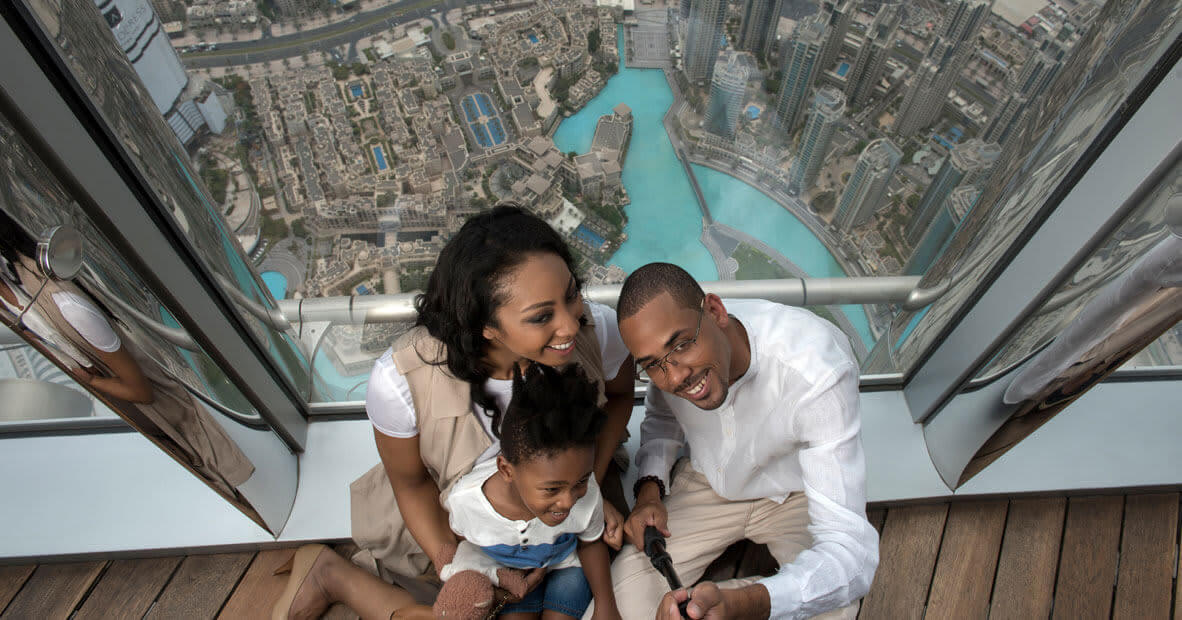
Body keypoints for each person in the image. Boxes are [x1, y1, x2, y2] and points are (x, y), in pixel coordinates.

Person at [272, 205, 634, 619]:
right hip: (461, 523)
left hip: (567, 504)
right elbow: (411, 486)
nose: (571, 324)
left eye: (571, 294)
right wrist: (460, 564)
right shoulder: (403, 378)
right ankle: (331, 575)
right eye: (541, 317)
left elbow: (621, 397)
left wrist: (588, 481)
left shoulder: (596, 329)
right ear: (486, 325)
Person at [605, 263, 879, 620]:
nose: (675, 376)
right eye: (654, 365)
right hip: (708, 482)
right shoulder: (670, 366)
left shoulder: (816, 370)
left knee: (836, 610)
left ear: (716, 311)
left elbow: (852, 559)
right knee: (614, 603)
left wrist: (743, 604)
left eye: (683, 344)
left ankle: (716, 604)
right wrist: (649, 491)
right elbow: (662, 417)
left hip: (795, 493)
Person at [438, 363, 621, 620]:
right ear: (506, 470)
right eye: (551, 489)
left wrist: (606, 605)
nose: (568, 502)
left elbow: (590, 544)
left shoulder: (586, 493)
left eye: (581, 481)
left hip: (567, 566)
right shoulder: (466, 502)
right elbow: (462, 541)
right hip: (512, 575)